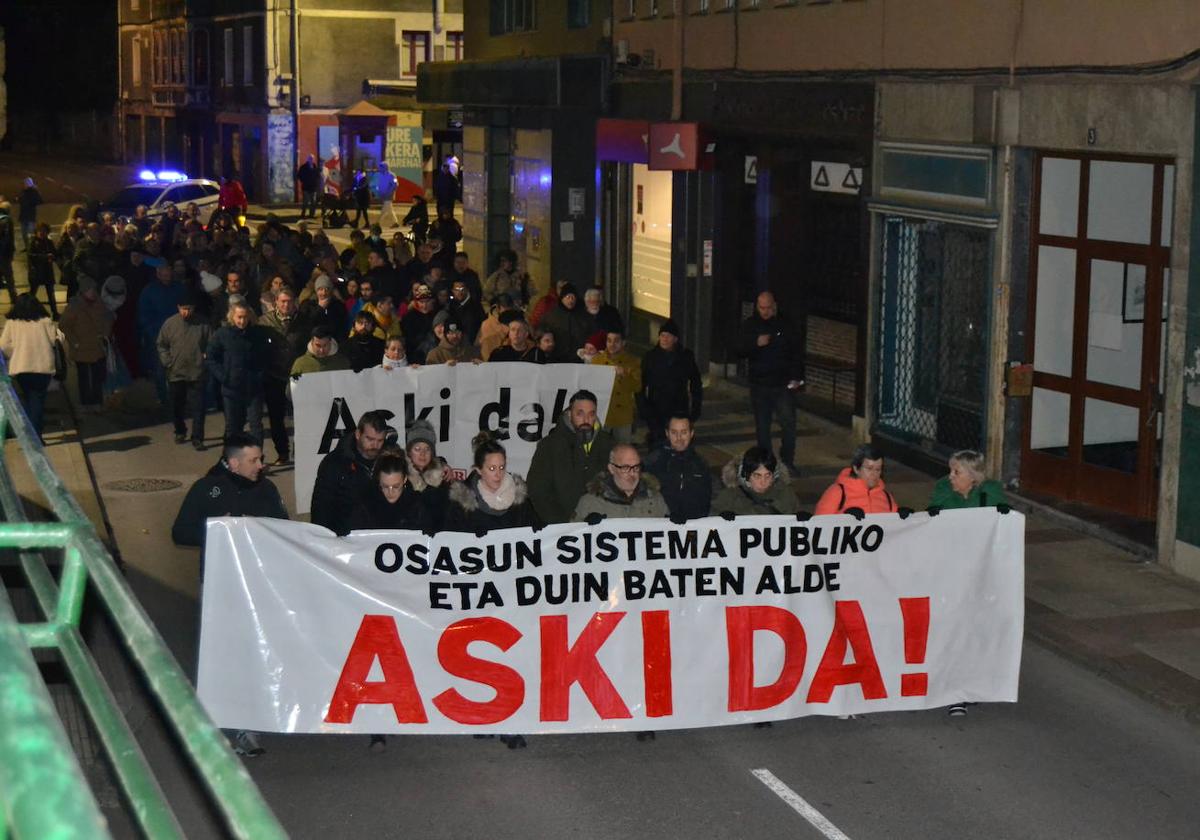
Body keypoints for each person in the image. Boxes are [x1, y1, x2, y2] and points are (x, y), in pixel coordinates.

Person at [171, 432, 288, 760]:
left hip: (257, 587)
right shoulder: (206, 489)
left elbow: (284, 529)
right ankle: (221, 721)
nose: (261, 465)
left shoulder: (266, 490)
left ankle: (249, 721)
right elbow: (179, 531)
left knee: (253, 652)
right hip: (220, 588)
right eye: (254, 460)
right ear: (233, 463)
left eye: (261, 459)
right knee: (222, 656)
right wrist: (214, 528)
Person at [737, 292, 805, 475]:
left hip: (782, 384)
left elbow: (795, 351)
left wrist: (797, 377)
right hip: (760, 384)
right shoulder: (751, 325)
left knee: (788, 424)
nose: (765, 311)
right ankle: (767, 463)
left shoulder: (785, 324)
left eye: (768, 308)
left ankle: (788, 461)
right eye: (762, 308)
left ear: (774, 305)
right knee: (763, 427)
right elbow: (739, 348)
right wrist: (755, 343)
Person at [527, 390, 615, 525]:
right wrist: (562, 524)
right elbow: (538, 490)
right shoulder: (550, 446)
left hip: (600, 525)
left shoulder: (608, 444)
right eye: (580, 414)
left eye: (591, 414)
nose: (586, 420)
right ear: (569, 414)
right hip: (562, 526)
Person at [311, 410, 391, 536]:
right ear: (358, 434)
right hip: (345, 539)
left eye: (380, 440)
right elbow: (321, 508)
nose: (375, 445)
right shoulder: (334, 463)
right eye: (370, 439)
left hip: (381, 537)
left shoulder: (391, 460)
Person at [0, 294, 63, 437]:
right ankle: (35, 434)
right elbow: (55, 340)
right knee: (38, 400)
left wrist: (15, 352)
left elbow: (3, 346)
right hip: (43, 367)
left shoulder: (12, 322)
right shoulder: (45, 321)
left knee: (29, 398)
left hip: (22, 368)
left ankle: (30, 432)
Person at [446, 432, 535, 533]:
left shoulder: (520, 499)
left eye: (501, 467)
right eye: (492, 468)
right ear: (479, 470)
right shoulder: (461, 504)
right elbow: (452, 538)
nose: (498, 474)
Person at [205, 302, 268, 443]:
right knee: (233, 427)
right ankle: (232, 461)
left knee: (256, 426)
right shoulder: (223, 334)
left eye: (245, 317)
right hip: (231, 388)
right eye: (239, 317)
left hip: (253, 388)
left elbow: (266, 355)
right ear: (232, 316)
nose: (242, 321)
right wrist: (224, 376)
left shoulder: (257, 334)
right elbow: (210, 357)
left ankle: (257, 460)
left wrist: (260, 375)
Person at [258, 288, 308, 464]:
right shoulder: (264, 322)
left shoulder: (304, 322)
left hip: (298, 376)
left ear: (295, 302)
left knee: (301, 417)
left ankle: (300, 450)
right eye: (282, 301)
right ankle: (283, 452)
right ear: (276, 302)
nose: (286, 304)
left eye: (289, 301)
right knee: (276, 418)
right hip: (274, 375)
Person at [157, 292, 211, 449]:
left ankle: (198, 437)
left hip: (197, 371)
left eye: (188, 308)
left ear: (193, 308)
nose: (185, 312)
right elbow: (161, 344)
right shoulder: (170, 324)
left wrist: (206, 357)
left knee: (198, 407)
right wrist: (167, 361)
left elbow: (212, 343)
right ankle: (180, 430)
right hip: (176, 372)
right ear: (178, 307)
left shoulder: (203, 324)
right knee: (177, 405)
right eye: (183, 308)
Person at [640, 319, 703, 448]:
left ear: (675, 339)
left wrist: (695, 408)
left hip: (679, 408)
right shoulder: (650, 357)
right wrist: (644, 409)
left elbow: (696, 382)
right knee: (658, 444)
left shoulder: (685, 357)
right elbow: (640, 384)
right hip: (656, 409)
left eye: (668, 336)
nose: (664, 339)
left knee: (679, 443)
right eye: (662, 336)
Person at [58, 277, 114, 413]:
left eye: (93, 289)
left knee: (97, 377)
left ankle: (97, 402)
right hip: (82, 348)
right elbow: (64, 325)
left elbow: (108, 318)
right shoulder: (74, 306)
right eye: (89, 290)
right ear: (83, 291)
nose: (92, 292)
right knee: (84, 378)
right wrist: (74, 341)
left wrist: (105, 333)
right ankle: (86, 403)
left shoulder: (99, 303)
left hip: (97, 346)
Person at [572, 443, 668, 522]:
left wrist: (676, 525)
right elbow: (571, 535)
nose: (632, 473)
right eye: (625, 468)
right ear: (611, 469)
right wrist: (584, 525)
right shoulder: (590, 503)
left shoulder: (655, 500)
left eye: (636, 467)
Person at [643, 416, 712, 521]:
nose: (679, 438)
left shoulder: (701, 464)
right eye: (674, 432)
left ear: (691, 433)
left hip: (693, 529)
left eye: (683, 432)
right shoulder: (653, 462)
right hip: (661, 527)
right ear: (667, 433)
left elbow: (709, 499)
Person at [714, 446, 799, 516]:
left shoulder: (786, 495)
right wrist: (720, 519)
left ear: (774, 475)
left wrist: (802, 520)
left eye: (767, 475)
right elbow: (710, 525)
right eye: (757, 476)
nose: (763, 482)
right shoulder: (729, 498)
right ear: (745, 475)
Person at [814, 445, 897, 516]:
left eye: (878, 469)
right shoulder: (838, 492)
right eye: (869, 468)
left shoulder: (887, 497)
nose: (874, 474)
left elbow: (895, 529)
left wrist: (903, 519)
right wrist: (844, 518)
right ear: (856, 469)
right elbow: (818, 525)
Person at [588, 331, 640, 443]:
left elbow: (637, 387)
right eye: (609, 340)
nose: (612, 344)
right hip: (602, 413)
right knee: (599, 450)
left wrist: (624, 375)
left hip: (623, 416)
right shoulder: (597, 360)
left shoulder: (632, 362)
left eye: (616, 341)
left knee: (622, 451)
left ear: (623, 343)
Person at [928, 450, 1008, 511]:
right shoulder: (943, 486)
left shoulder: (990, 490)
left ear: (973, 476)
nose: (950, 476)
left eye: (956, 472)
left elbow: (1005, 518)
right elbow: (932, 515)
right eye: (950, 471)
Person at [540, 283, 590, 362]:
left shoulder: (584, 316)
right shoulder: (551, 316)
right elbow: (542, 332)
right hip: (556, 358)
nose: (570, 300)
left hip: (578, 358)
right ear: (562, 298)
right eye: (568, 297)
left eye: (573, 297)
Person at [27, 222, 58, 318]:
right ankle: (27, 312)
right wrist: (45, 257)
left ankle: (55, 313)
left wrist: (52, 257)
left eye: (44, 231)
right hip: (36, 271)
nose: (42, 233)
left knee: (51, 294)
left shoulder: (49, 242)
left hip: (47, 271)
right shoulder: (33, 242)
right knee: (32, 293)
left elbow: (55, 253)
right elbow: (31, 256)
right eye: (40, 231)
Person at [449, 279, 484, 344]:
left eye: (462, 289)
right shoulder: (451, 306)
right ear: (453, 291)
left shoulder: (476, 306)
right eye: (457, 289)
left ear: (467, 289)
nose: (460, 292)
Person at [17, 178, 43, 252]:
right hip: (23, 216)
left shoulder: (34, 192)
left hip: (31, 216)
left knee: (31, 233)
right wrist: (18, 199)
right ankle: (27, 247)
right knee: (24, 234)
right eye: (25, 183)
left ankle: (32, 247)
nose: (25, 185)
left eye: (27, 183)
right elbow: (21, 199)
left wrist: (35, 193)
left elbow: (40, 201)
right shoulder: (23, 192)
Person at [373, 162, 400, 228]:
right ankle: (395, 222)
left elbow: (396, 185)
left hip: (389, 195)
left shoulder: (392, 175)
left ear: (385, 167)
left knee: (386, 210)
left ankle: (378, 223)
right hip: (383, 195)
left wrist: (390, 191)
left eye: (381, 167)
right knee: (388, 210)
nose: (379, 169)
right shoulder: (380, 175)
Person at [295, 154, 322, 219]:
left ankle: (311, 215)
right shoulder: (303, 167)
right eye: (310, 158)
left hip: (313, 187)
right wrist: (304, 181)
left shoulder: (315, 167)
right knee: (305, 202)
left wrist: (317, 184)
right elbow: (299, 175)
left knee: (313, 202)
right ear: (307, 159)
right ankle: (303, 214)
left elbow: (318, 176)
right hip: (306, 187)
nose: (311, 160)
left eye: (312, 158)